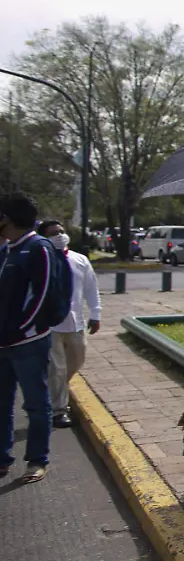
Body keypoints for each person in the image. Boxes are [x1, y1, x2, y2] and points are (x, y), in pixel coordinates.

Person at [0, 193, 58, 483]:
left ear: (7, 218)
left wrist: (19, 329)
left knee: (35, 404)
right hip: (3, 343)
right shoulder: (7, 250)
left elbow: (42, 295)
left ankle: (37, 460)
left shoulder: (38, 248)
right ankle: (2, 458)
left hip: (28, 343)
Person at [36, 220, 100, 429]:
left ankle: (50, 394)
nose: (60, 235)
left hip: (75, 323)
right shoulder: (41, 261)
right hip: (49, 326)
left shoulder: (79, 260)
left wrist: (95, 314)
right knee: (57, 369)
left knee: (76, 362)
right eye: (54, 233)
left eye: (61, 231)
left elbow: (91, 288)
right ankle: (59, 411)